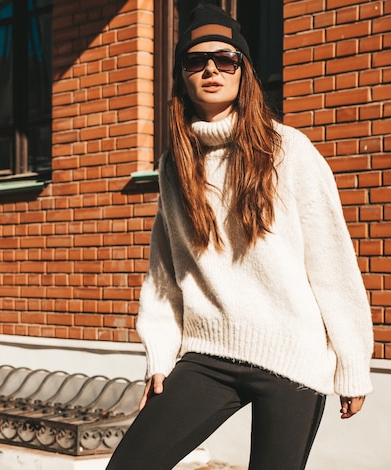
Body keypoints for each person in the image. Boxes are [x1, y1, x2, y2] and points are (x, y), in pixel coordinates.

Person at [106, 4, 374, 470]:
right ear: (182, 78)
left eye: (225, 59)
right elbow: (164, 274)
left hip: (291, 358)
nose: (211, 68)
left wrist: (352, 364)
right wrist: (160, 357)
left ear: (243, 71)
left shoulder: (288, 149)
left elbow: (331, 263)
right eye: (196, 60)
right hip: (209, 355)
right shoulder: (175, 165)